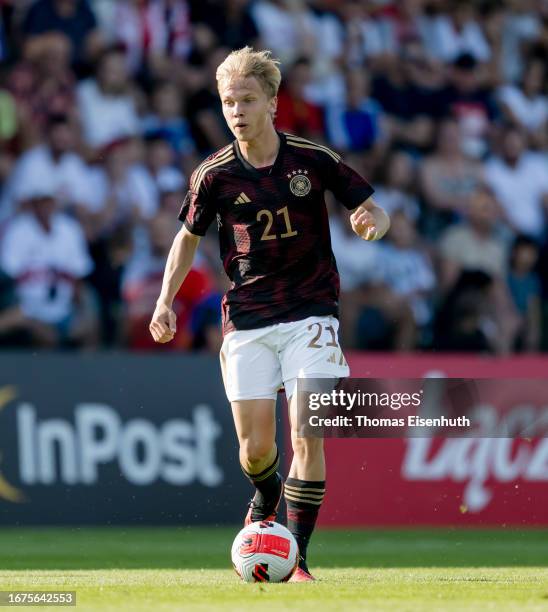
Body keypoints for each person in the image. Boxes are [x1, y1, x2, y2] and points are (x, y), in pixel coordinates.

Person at [149, 47, 389, 581]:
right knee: (256, 450)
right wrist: (165, 301)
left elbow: (371, 206)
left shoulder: (311, 157)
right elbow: (185, 241)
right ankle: (265, 496)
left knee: (308, 431)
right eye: (228, 101)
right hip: (249, 320)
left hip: (311, 312)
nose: (236, 110)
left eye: (247, 99)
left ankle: (299, 556)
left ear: (272, 103)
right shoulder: (212, 176)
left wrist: (373, 221)